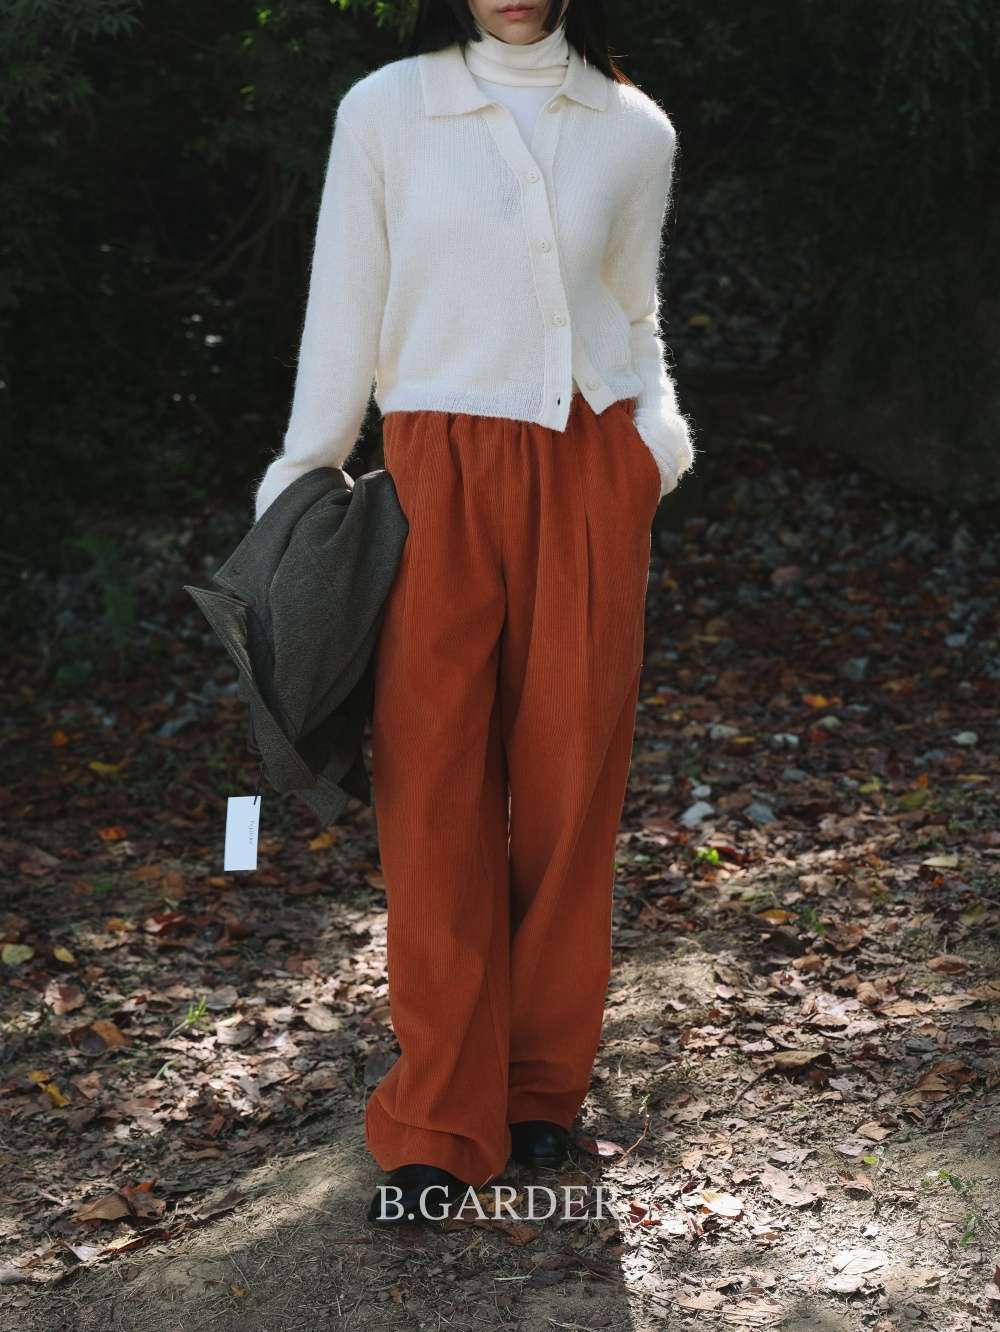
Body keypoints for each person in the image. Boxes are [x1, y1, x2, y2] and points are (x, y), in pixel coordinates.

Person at [252, 0, 696, 1226]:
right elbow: (343, 304)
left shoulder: (633, 129)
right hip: (432, 478)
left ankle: (541, 1088)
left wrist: (652, 450)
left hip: (589, 467)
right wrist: (302, 479)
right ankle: (442, 1118)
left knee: (568, 787)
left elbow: (635, 313)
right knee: (433, 790)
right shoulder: (388, 109)